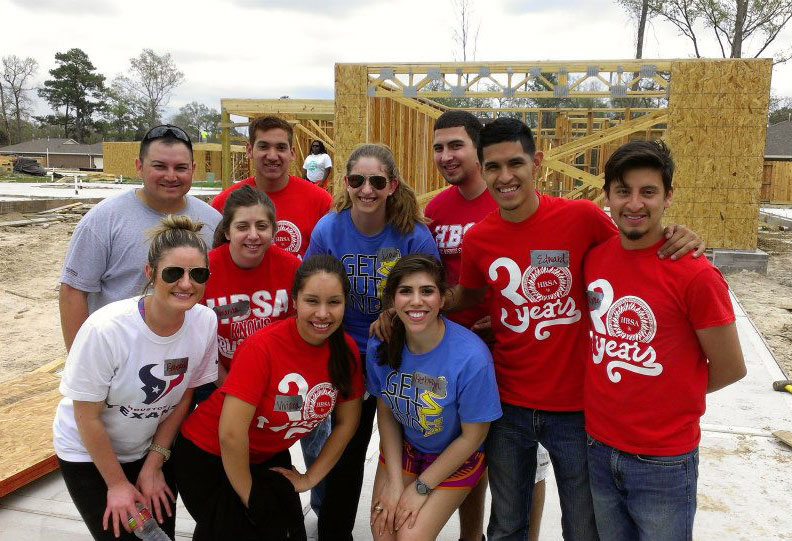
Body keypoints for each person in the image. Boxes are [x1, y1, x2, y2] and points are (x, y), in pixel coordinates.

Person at [451, 118, 705, 541]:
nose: (505, 176)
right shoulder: (479, 238)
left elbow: (634, 246)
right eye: (492, 167)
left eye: (515, 163)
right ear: (480, 169)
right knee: (507, 521)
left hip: (577, 409)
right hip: (507, 403)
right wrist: (411, 301)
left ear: (538, 163)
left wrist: (679, 234)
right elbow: (470, 294)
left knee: (584, 526)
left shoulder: (582, 218)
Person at [583, 140, 746, 540]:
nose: (634, 203)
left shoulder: (694, 274)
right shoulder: (596, 258)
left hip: (663, 461)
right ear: (607, 196)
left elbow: (731, 367)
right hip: (598, 446)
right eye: (623, 191)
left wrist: (667, 396)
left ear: (668, 197)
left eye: (648, 192)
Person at [174, 255, 364, 540]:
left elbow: (348, 423)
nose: (323, 313)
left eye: (334, 302)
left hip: (265, 455)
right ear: (295, 301)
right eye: (312, 301)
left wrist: (311, 478)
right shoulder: (262, 348)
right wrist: (251, 496)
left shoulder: (345, 351)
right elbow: (230, 434)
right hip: (207, 456)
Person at [52, 215, 219, 540]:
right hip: (89, 453)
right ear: (150, 273)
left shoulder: (205, 322)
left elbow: (185, 395)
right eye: (173, 273)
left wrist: (155, 462)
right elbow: (86, 416)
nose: (186, 283)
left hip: (147, 448)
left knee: (158, 535)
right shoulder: (107, 330)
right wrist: (116, 485)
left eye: (198, 274)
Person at [304, 143, 440, 539]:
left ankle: (407, 522)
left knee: (410, 445)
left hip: (399, 352)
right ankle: (334, 531)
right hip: (345, 351)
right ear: (345, 183)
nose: (367, 189)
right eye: (358, 180)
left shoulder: (412, 235)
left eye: (377, 181)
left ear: (392, 185)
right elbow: (311, 288)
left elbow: (430, 293)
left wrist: (395, 316)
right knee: (347, 450)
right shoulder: (330, 228)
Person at [428, 110, 550, 541]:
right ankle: (471, 534)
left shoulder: (504, 199)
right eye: (439, 147)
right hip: (458, 357)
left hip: (513, 354)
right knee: (471, 452)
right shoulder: (436, 209)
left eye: (456, 145)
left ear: (477, 151)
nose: (446, 156)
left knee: (526, 462)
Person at [367, 254, 502, 540]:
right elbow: (387, 410)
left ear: (442, 299)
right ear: (393, 301)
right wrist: (393, 483)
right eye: (406, 291)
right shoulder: (381, 342)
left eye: (427, 291)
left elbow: (473, 437)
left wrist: (420, 489)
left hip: (455, 455)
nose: (416, 301)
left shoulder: (471, 357)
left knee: (409, 536)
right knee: (383, 529)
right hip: (408, 447)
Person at [59, 124, 221, 351]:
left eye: (180, 167)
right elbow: (73, 291)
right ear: (139, 166)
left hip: (186, 356)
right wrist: (80, 358)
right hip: (118, 353)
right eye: (160, 166)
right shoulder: (104, 220)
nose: (171, 176)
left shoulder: (212, 222)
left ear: (193, 169)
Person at [200, 185, 301, 394]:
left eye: (262, 226)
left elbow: (301, 332)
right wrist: (232, 390)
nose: (253, 235)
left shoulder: (292, 268)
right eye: (243, 227)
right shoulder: (204, 270)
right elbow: (198, 343)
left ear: (273, 229)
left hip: (279, 380)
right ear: (227, 231)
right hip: (219, 380)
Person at [210, 115, 332, 258]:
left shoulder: (321, 202)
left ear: (292, 153)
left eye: (281, 147)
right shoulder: (223, 204)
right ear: (249, 150)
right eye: (263, 146)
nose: (272, 156)